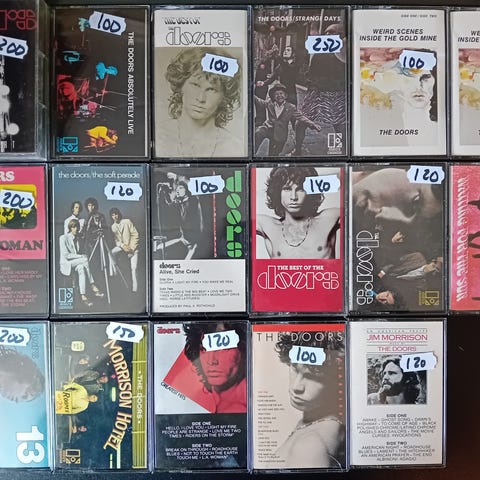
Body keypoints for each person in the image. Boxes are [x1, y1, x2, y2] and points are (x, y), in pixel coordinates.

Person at [274, 331, 345, 468]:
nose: (296, 387)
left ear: (336, 380)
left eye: (313, 376)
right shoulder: (311, 423)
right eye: (295, 369)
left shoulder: (310, 445)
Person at [157, 47, 243, 157]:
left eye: (211, 89)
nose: (201, 98)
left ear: (224, 97)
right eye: (195, 85)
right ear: (181, 85)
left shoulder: (233, 147)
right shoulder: (158, 137)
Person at [256, 166, 340, 259]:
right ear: (278, 192)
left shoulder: (328, 219)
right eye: (287, 189)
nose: (294, 197)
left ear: (310, 192)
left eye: (300, 189)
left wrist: (316, 181)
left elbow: (348, 179)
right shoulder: (267, 225)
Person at [183, 322, 247, 413]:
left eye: (223, 349)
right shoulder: (198, 404)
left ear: (243, 350)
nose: (212, 360)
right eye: (204, 349)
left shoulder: (246, 406)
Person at [255, 84, 322, 156]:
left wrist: (313, 124)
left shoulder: (291, 107)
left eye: (281, 93)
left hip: (280, 134)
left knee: (274, 153)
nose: (279, 96)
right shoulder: (269, 103)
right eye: (276, 94)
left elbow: (301, 117)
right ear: (273, 97)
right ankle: (252, 153)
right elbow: (259, 102)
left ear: (286, 96)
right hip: (269, 128)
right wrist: (249, 94)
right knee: (259, 132)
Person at [59, 218, 104, 307]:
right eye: (74, 227)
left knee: (82, 268)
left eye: (77, 227)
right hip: (66, 264)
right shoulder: (63, 238)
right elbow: (66, 255)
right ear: (70, 228)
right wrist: (81, 256)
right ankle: (92, 285)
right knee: (85, 259)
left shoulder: (78, 238)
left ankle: (83, 296)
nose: (76, 229)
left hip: (76, 263)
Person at [109, 207, 139, 293]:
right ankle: (114, 273)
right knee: (110, 253)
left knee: (134, 268)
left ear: (119, 214)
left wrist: (131, 249)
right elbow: (116, 240)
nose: (115, 216)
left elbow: (135, 235)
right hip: (123, 247)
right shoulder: (113, 227)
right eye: (113, 215)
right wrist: (122, 245)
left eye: (116, 214)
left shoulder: (127, 221)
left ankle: (135, 289)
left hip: (133, 247)